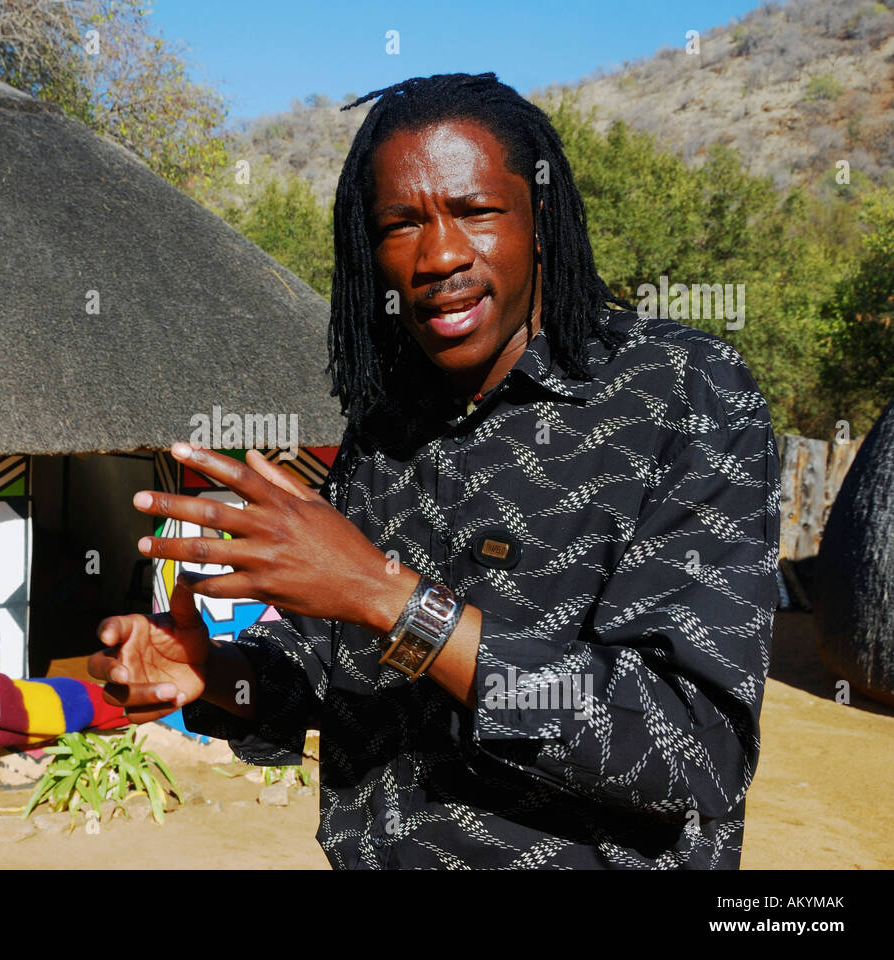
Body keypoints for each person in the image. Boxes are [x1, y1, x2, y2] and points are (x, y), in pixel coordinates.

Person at [89, 72, 780, 869]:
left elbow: (690, 750)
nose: (440, 254)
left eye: (476, 211)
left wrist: (392, 600)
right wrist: (214, 673)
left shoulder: (680, 392)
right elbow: (327, 670)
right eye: (400, 224)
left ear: (541, 217)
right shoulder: (388, 431)